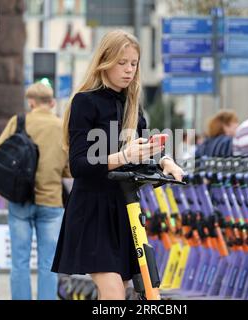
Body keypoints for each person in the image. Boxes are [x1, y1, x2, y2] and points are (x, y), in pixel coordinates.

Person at [51, 30, 184, 300]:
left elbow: (146, 147)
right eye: (122, 62)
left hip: (124, 209)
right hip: (92, 209)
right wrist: (123, 157)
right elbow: (78, 164)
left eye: (133, 64)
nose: (128, 70)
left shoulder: (133, 105)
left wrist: (166, 161)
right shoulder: (85, 102)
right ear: (105, 61)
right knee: (113, 293)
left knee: (120, 291)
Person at [0, 82, 69, 300]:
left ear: (31, 103)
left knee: (20, 262)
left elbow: (0, 156)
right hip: (52, 202)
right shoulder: (61, 126)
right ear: (52, 103)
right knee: (48, 263)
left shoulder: (18, 122)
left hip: (20, 201)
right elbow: (70, 167)